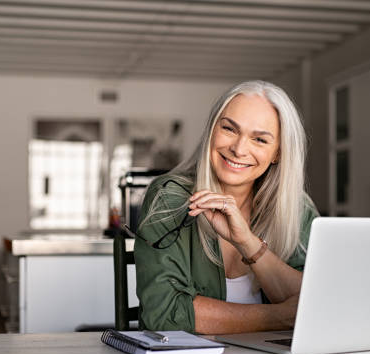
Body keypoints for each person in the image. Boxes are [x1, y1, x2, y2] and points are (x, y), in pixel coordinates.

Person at [133, 80, 319, 334]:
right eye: (230, 129)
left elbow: (318, 305)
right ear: (212, 130)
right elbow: (164, 314)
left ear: (278, 153)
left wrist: (248, 243)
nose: (239, 149)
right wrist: (279, 317)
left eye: (260, 140)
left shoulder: (296, 209)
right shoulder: (169, 197)